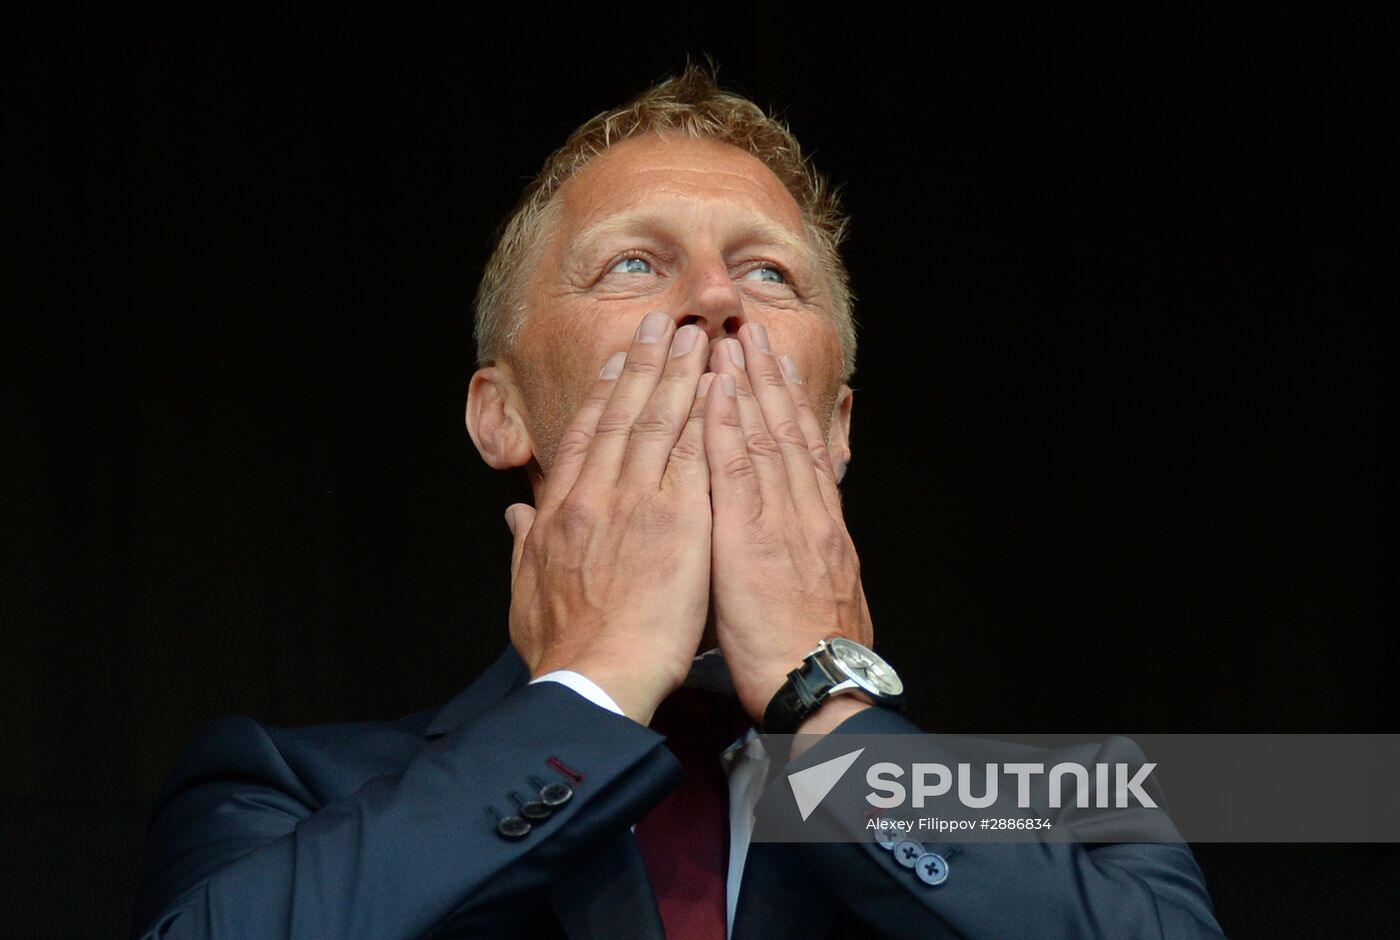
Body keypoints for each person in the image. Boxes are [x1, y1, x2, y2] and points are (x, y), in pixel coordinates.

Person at [131, 64, 1224, 939]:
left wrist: (827, 711)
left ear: (838, 426)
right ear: (498, 414)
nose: (710, 299)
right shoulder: (286, 790)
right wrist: (589, 692)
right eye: (631, 266)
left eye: (765, 274)